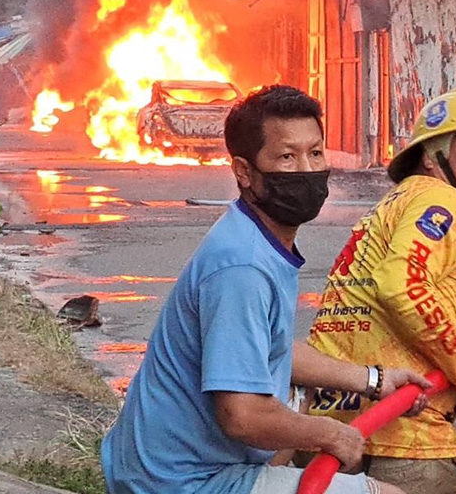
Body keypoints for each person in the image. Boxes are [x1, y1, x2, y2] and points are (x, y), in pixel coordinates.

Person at [101, 85, 429, 494]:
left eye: (315, 152)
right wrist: (328, 434)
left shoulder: (256, 237)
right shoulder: (243, 266)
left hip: (175, 464)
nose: (308, 170)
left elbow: (273, 350)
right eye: (287, 157)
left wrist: (375, 380)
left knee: (299, 395)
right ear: (244, 172)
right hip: (182, 482)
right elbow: (241, 416)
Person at [306, 83, 456, 494]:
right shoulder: (441, 198)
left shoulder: (398, 203)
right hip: (406, 442)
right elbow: (401, 286)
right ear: (431, 155)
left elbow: (425, 341)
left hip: (339, 427)